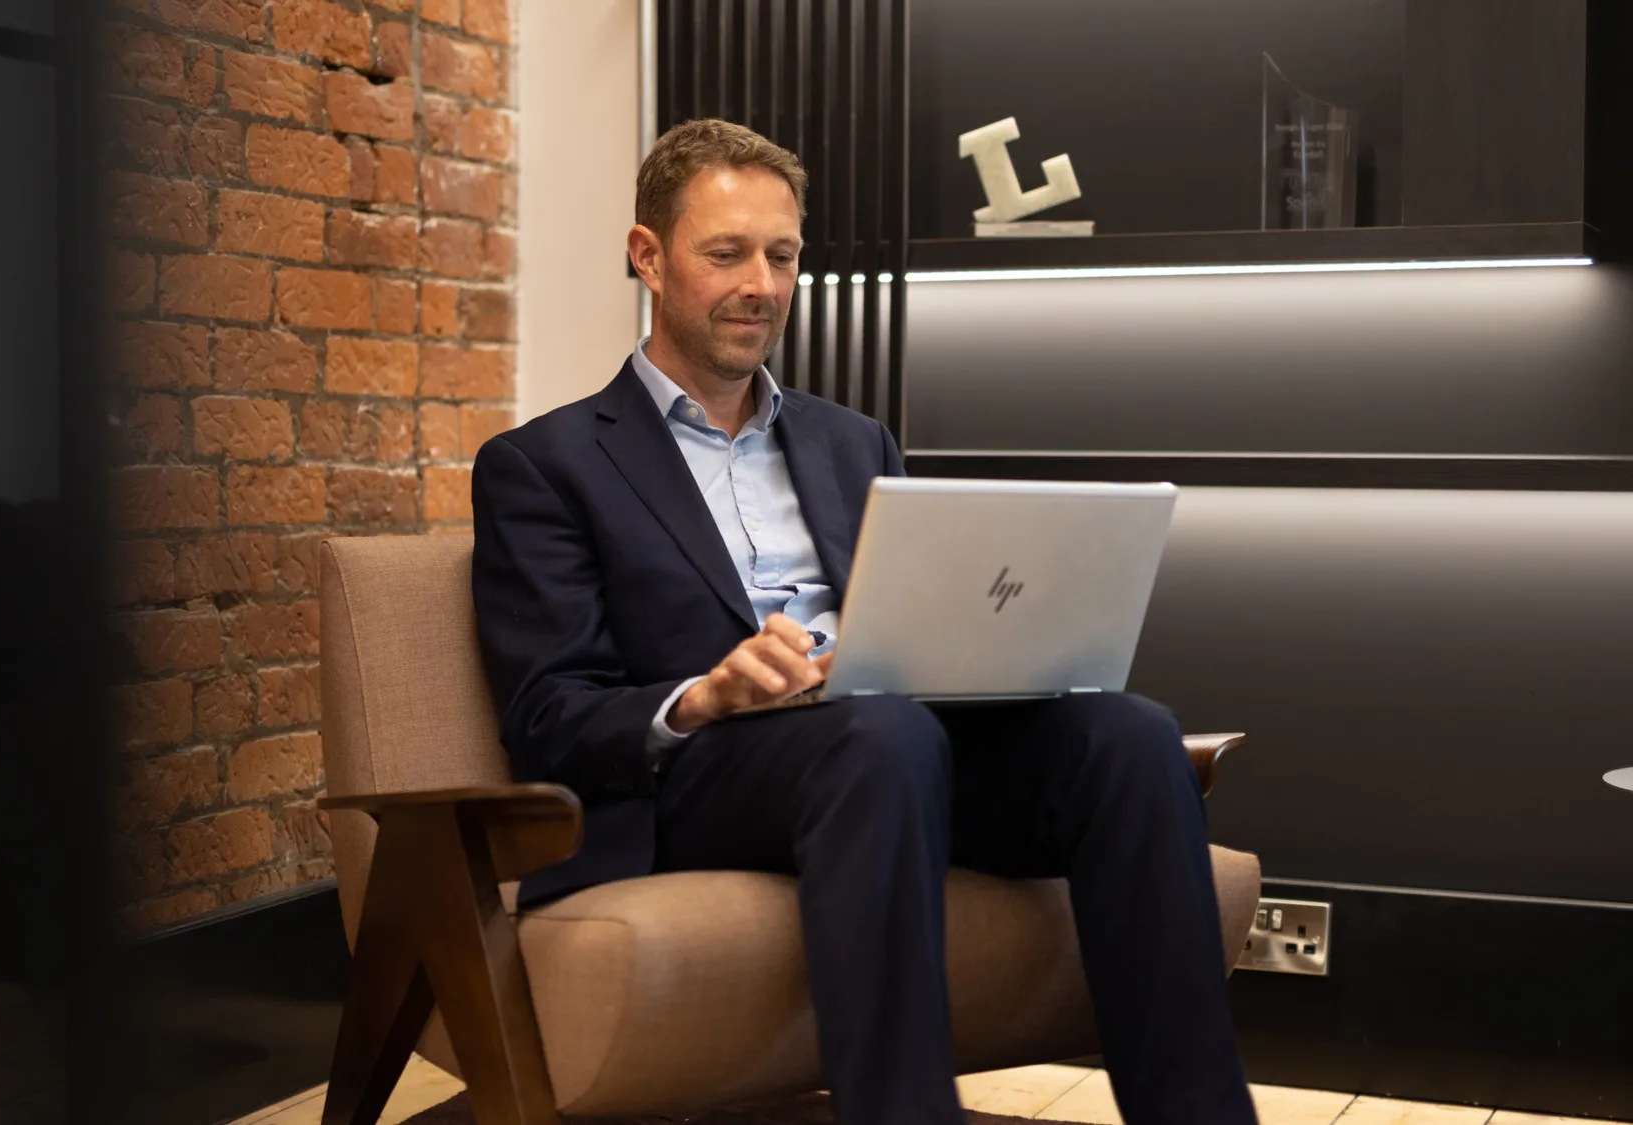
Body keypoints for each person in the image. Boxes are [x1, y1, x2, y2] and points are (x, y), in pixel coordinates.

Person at [469, 119, 1257, 1125]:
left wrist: (982, 653)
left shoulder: (854, 441)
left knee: (1129, 735)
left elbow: (913, 622)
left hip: (889, 748)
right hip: (707, 777)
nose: (760, 282)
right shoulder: (546, 464)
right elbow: (547, 714)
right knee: (876, 735)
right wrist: (706, 694)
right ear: (646, 258)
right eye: (725, 253)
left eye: (781, 255)